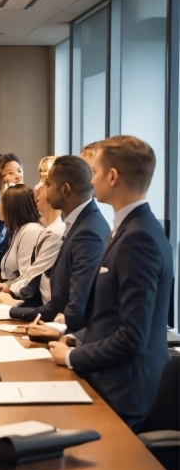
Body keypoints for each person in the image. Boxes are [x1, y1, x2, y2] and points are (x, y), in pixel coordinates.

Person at [49, 136, 173, 432]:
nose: (90, 180)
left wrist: (72, 356)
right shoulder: (127, 228)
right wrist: (76, 338)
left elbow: (131, 337)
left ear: (113, 176)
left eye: (94, 171)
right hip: (109, 378)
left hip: (124, 391)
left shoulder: (139, 237)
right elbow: (109, 314)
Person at [9, 155, 110, 332]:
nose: (42, 189)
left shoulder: (88, 231)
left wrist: (60, 332)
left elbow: (77, 304)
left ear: (65, 189)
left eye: (48, 184)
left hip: (74, 339)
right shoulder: (76, 222)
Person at [0, 173, 65, 306]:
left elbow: (30, 274)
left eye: (2, 201)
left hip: (32, 301)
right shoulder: (18, 229)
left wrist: (11, 293)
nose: (37, 189)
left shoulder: (34, 230)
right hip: (23, 296)